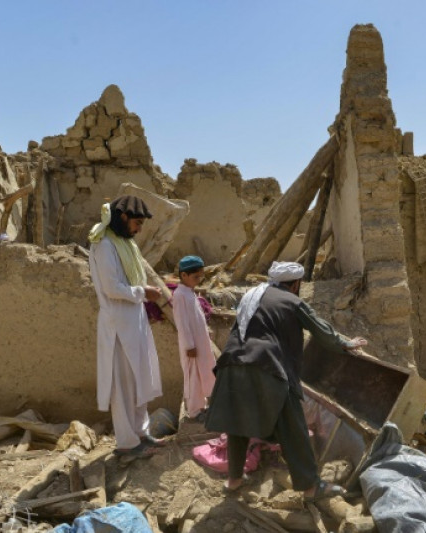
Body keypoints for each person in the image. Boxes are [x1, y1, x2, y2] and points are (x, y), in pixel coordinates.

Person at [204, 261, 367, 502]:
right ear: (296, 284)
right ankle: (311, 486)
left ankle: (234, 480)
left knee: (238, 423)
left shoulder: (252, 295)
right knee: (293, 425)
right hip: (266, 367)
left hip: (232, 362)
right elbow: (321, 331)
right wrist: (345, 343)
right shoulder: (292, 301)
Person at [87, 195, 165, 458]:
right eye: (137, 223)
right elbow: (112, 288)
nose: (139, 229)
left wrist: (143, 295)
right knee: (122, 385)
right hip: (118, 324)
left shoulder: (126, 245)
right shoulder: (105, 245)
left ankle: (142, 433)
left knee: (139, 378)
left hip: (135, 320)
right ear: (123, 217)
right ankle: (127, 444)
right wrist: (143, 292)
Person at [172, 255, 216, 421]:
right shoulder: (179, 295)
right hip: (191, 346)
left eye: (200, 276)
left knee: (203, 373)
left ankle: (201, 406)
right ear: (184, 275)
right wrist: (189, 345)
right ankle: (194, 411)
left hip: (200, 343)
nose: (198, 280)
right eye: (195, 277)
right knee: (192, 377)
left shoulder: (190, 293)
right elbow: (182, 323)